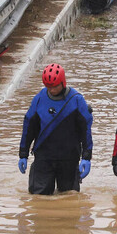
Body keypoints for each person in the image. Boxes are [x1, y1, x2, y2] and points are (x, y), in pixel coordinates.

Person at [18, 64, 94, 195]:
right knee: (39, 196)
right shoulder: (39, 99)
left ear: (63, 82)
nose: (52, 90)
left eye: (55, 86)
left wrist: (86, 157)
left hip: (69, 158)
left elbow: (85, 130)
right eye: (48, 87)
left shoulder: (76, 100)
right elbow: (29, 127)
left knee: (69, 196)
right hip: (44, 156)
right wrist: (23, 154)